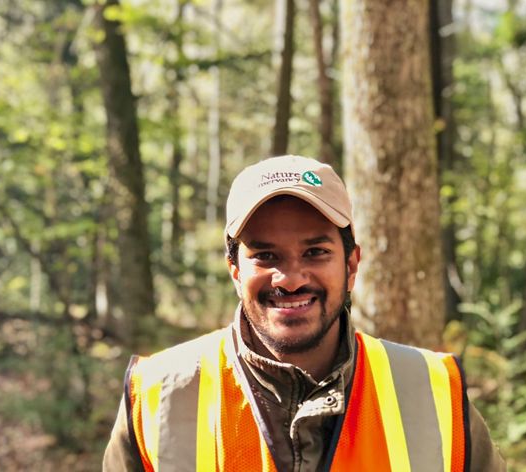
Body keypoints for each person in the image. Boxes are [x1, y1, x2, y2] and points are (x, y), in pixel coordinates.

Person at [103, 155, 505, 471]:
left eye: (315, 252)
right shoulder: (158, 395)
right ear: (235, 271)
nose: (291, 279)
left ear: (351, 265)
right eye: (265, 255)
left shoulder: (434, 394)